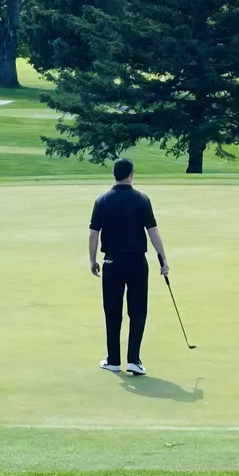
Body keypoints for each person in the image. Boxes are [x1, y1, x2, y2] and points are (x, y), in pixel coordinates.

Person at [89, 158, 169, 377]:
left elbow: (94, 234)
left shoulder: (102, 201)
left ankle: (113, 360)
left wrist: (92, 260)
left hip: (112, 263)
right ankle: (134, 360)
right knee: (138, 311)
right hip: (136, 262)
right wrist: (163, 259)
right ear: (131, 174)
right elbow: (153, 231)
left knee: (112, 312)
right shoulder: (142, 200)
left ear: (114, 174)